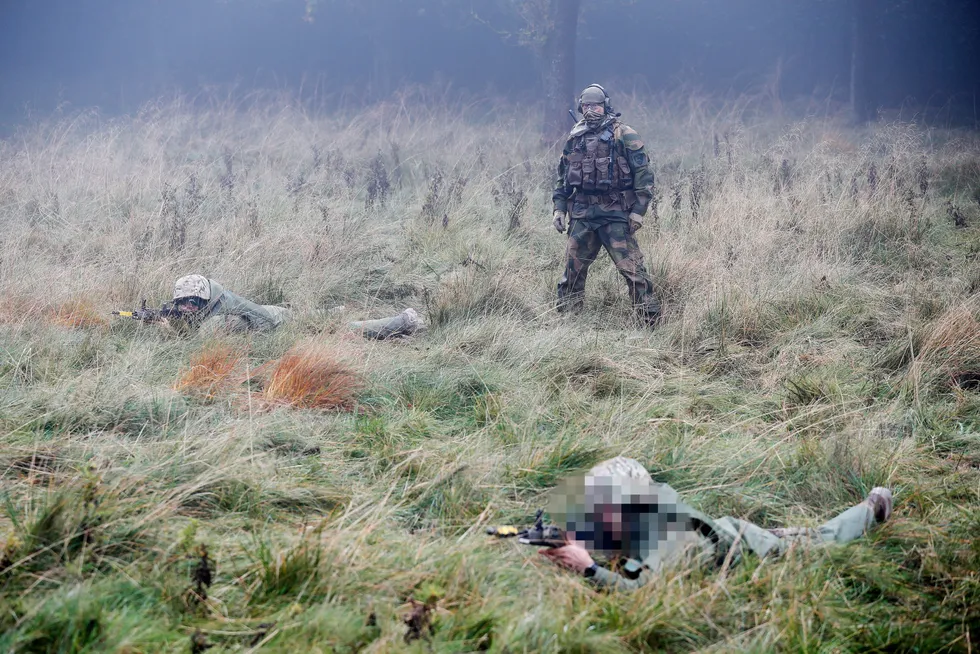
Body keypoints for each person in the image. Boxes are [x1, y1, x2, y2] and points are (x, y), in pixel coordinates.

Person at [539, 457, 893, 590]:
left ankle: (871, 508)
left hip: (744, 547)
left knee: (820, 543)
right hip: (718, 536)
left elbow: (641, 589)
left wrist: (588, 569)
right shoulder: (635, 516)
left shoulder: (667, 538)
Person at [552, 84, 661, 325]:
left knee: (633, 270)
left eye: (596, 105)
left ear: (606, 106)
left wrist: (638, 213)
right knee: (572, 272)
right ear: (581, 107)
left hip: (615, 215)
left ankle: (650, 322)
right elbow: (562, 176)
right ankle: (568, 323)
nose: (591, 110)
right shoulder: (575, 137)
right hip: (582, 215)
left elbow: (644, 175)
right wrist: (559, 208)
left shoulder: (625, 134)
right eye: (587, 106)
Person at [169, 274, 292, 335]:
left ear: (205, 299)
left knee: (209, 328)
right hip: (269, 313)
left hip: (280, 317)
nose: (187, 307)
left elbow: (196, 342)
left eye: (192, 302)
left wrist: (171, 331)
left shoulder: (221, 308)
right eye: (181, 302)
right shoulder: (206, 307)